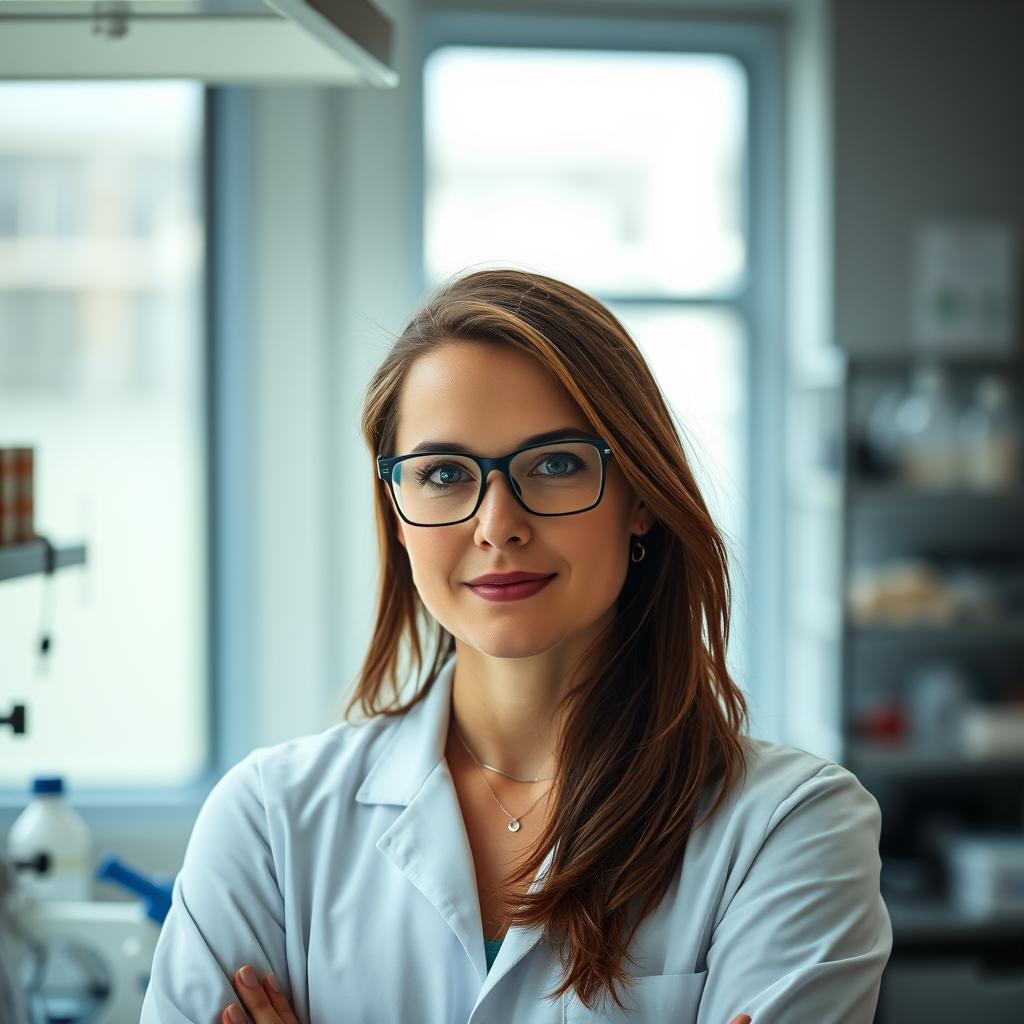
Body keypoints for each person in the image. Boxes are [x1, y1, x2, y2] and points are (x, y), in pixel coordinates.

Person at [140, 268, 892, 1024]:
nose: (497, 524)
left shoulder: (793, 829)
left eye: (556, 464)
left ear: (638, 496)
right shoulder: (269, 821)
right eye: (442, 473)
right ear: (398, 517)